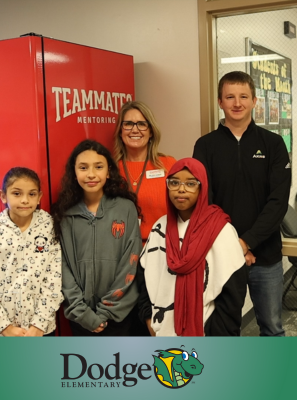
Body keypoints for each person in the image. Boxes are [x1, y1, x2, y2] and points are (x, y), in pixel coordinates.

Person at [193, 71, 291, 336]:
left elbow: (278, 202)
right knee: (224, 329)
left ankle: (275, 379)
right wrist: (232, 246)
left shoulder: (273, 144)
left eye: (243, 96)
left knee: (272, 326)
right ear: (219, 101)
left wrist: (246, 242)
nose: (237, 103)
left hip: (266, 256)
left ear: (255, 101)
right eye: (230, 97)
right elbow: (204, 202)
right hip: (220, 255)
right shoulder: (205, 146)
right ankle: (233, 378)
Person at [138, 158, 246, 336]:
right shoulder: (159, 228)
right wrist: (149, 318)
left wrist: (217, 334)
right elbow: (143, 277)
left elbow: (233, 293)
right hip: (162, 330)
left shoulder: (220, 231)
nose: (181, 189)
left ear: (201, 187)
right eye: (174, 183)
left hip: (207, 331)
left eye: (190, 183)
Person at [51, 139, 142, 336]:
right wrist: (82, 313)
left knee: (120, 365)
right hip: (80, 317)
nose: (91, 174)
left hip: (119, 315)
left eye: (98, 167)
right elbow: (62, 266)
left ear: (108, 172)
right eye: (83, 167)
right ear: (74, 173)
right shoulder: (64, 213)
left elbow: (131, 260)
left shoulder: (125, 208)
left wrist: (106, 311)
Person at [0, 167, 63, 336]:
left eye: (32, 194)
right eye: (17, 193)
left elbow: (55, 277)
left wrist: (39, 325)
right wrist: (4, 326)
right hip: (5, 331)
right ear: (3, 196)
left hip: (42, 330)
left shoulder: (49, 226)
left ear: (39, 197)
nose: (25, 200)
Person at [113, 101, 176, 244]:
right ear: (120, 130)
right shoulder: (110, 170)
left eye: (142, 124)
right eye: (128, 124)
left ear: (151, 131)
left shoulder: (168, 165)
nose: (135, 130)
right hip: (122, 253)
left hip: (163, 249)